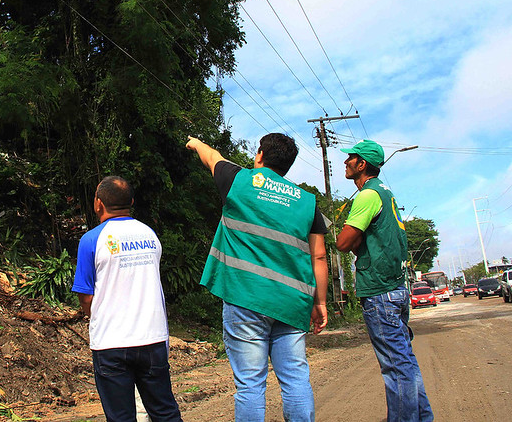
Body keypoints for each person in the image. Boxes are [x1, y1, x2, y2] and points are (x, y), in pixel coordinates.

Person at [185, 134, 328, 422]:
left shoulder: (238, 180)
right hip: (291, 303)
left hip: (245, 298)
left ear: (259, 154)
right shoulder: (307, 202)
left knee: (250, 384)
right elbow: (320, 257)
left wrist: (195, 143)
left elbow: (212, 156)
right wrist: (320, 302)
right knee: (296, 379)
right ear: (287, 166)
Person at [335, 140, 433, 422]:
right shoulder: (386, 193)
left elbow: (343, 242)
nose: (346, 162)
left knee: (395, 367)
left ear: (362, 164)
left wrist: (355, 239)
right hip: (398, 290)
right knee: (406, 363)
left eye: (350, 158)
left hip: (380, 293)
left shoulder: (367, 196)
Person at [72, 176, 183, 422]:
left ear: (97, 204)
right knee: (165, 411)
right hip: (153, 339)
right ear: (131, 201)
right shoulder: (150, 234)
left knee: (121, 417)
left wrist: (97, 316)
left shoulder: (91, 240)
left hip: (111, 343)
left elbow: (85, 295)